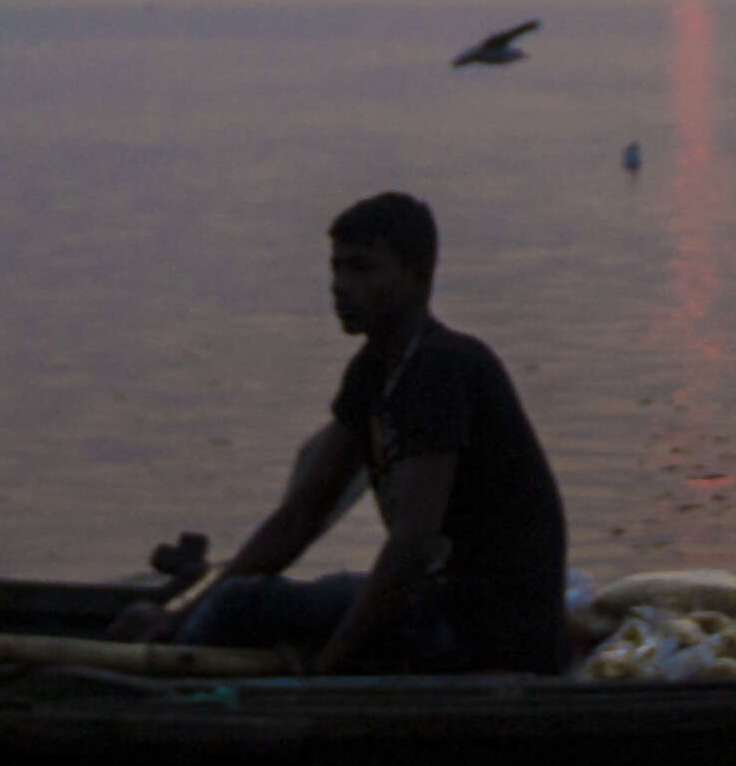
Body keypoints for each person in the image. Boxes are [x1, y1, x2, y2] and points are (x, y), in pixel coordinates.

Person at [119, 191, 570, 675]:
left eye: (361, 268)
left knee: (239, 607)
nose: (339, 286)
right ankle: (170, 649)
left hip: (486, 633)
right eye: (336, 268)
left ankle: (165, 682)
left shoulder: (441, 368)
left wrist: (329, 666)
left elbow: (412, 546)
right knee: (238, 601)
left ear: (418, 275)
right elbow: (300, 516)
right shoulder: (372, 371)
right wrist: (180, 614)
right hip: (436, 607)